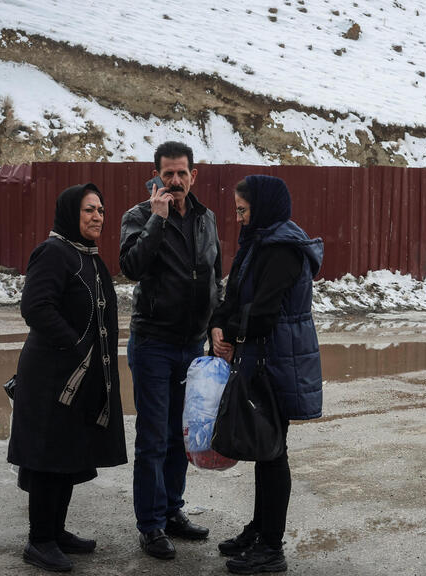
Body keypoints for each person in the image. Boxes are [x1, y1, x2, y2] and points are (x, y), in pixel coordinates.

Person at [7, 182, 127, 572]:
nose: (98, 217)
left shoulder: (86, 256)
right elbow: (36, 307)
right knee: (47, 456)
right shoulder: (54, 253)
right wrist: (75, 346)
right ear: (69, 213)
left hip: (77, 377)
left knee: (67, 453)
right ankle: (39, 540)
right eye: (89, 209)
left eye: (101, 210)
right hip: (51, 376)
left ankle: (55, 532)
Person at [209, 175, 324, 575]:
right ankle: (259, 530)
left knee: (273, 452)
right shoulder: (258, 243)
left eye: (243, 210)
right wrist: (218, 325)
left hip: (278, 359)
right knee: (265, 447)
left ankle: (271, 547)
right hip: (262, 356)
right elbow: (235, 296)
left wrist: (233, 334)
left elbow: (262, 312)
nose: (239, 218)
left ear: (262, 207)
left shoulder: (282, 250)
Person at [119, 141, 222, 559]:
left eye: (182, 173)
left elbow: (214, 275)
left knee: (182, 436)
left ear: (193, 175)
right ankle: (150, 525)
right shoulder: (138, 216)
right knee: (153, 438)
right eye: (168, 174)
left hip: (192, 346)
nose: (175, 181)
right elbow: (131, 267)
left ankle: (172, 510)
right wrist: (156, 221)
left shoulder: (206, 218)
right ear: (156, 176)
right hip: (153, 344)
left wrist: (216, 326)